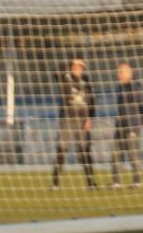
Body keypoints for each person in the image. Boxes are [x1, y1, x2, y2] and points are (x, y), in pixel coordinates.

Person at [51, 57, 96, 189]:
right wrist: (70, 62)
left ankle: (91, 183)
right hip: (68, 119)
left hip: (82, 120)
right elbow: (55, 72)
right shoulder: (65, 78)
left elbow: (92, 102)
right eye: (74, 66)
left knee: (85, 151)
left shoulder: (87, 81)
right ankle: (55, 183)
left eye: (79, 67)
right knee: (61, 150)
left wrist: (90, 119)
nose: (76, 69)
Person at [110, 61, 143, 188]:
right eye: (119, 71)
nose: (119, 74)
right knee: (116, 154)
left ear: (130, 73)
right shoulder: (119, 87)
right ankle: (116, 182)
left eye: (122, 71)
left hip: (132, 125)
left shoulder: (135, 85)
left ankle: (137, 181)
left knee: (133, 155)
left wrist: (140, 123)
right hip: (120, 125)